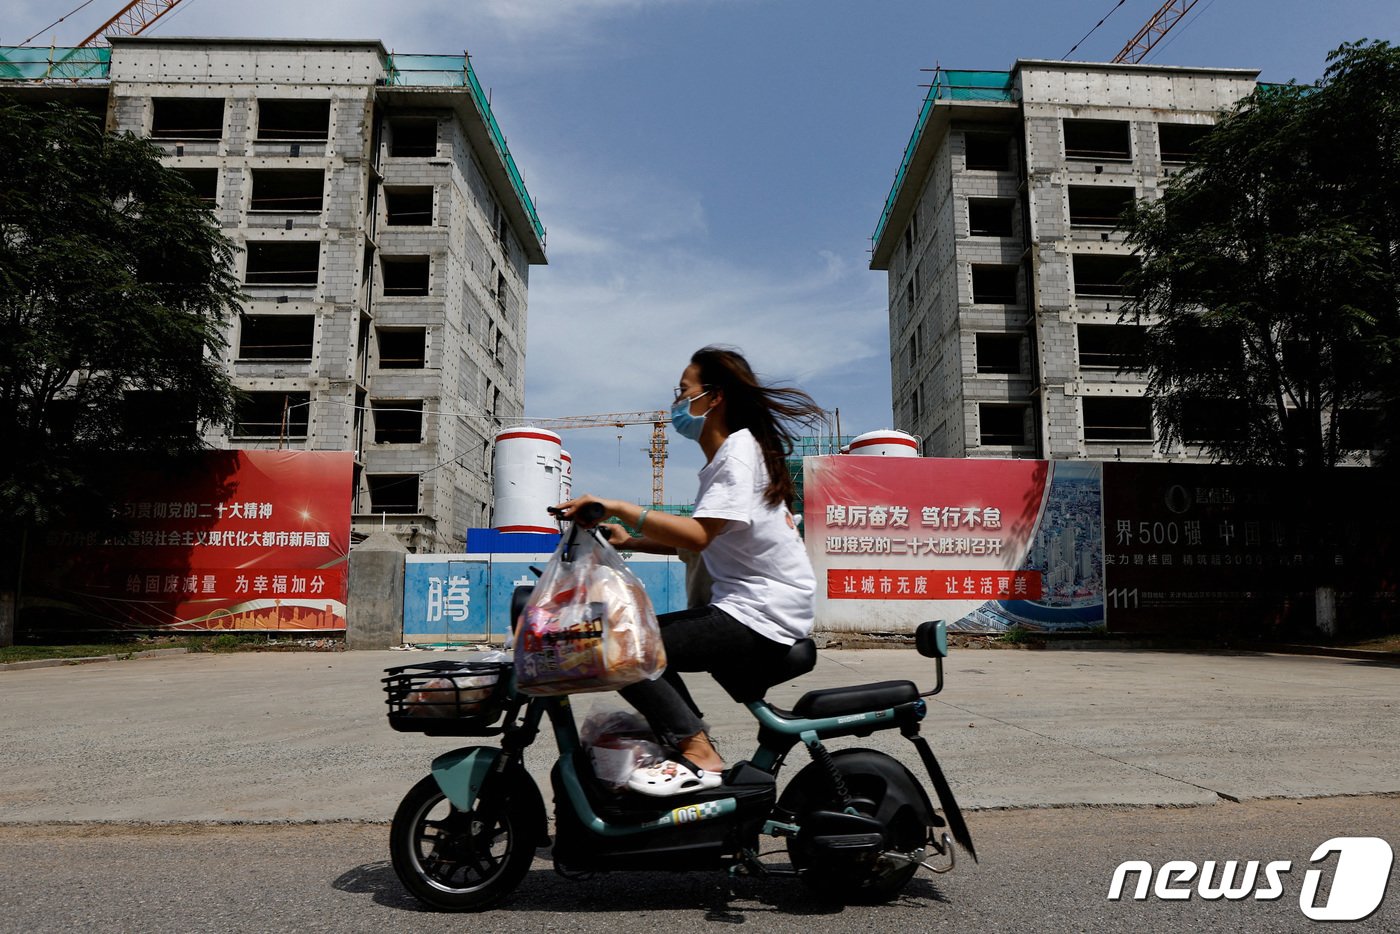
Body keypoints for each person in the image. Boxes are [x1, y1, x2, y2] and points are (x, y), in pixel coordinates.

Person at [553, 346, 824, 796]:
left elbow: (698, 535)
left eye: (683, 391)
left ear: (713, 398)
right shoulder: (729, 458)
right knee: (638, 641)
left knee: (626, 645)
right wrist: (631, 538)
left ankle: (697, 752)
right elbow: (705, 537)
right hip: (754, 608)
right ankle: (687, 747)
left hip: (761, 612)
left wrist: (621, 506)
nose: (676, 403)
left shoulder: (737, 454)